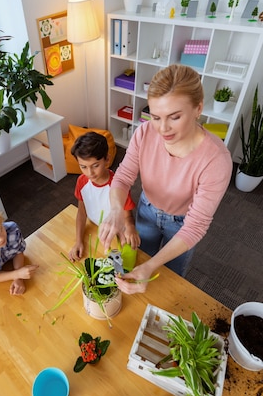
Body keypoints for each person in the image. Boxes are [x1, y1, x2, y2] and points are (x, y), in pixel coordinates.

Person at [99, 64, 232, 294]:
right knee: (139, 262)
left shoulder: (216, 160)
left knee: (170, 279)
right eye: (156, 116)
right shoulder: (144, 132)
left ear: (198, 108)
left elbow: (195, 227)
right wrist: (115, 210)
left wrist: (151, 266)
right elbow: (122, 177)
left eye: (175, 117)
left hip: (183, 224)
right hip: (147, 210)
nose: (162, 128)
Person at [68, 131, 139, 261]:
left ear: (107, 159)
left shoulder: (118, 186)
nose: (90, 173)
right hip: (95, 229)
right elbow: (82, 212)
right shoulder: (81, 181)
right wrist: (78, 241)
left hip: (116, 233)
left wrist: (130, 228)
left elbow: (127, 216)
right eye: (83, 167)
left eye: (95, 166)